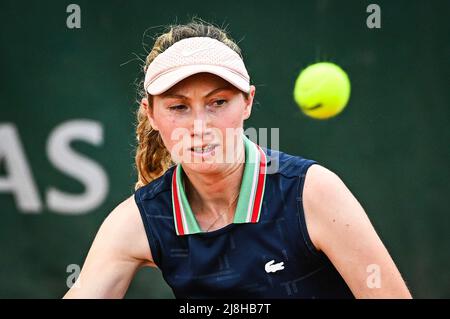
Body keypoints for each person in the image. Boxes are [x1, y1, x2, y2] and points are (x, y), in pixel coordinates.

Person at [64, 21, 412, 299]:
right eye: (178, 107)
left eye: (218, 102)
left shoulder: (312, 193)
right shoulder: (138, 220)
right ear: (151, 114)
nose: (200, 127)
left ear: (247, 102)